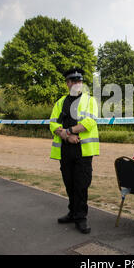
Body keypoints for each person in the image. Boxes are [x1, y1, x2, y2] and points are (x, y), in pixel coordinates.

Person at [49, 68, 100, 234]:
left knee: (81, 185)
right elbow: (52, 124)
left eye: (80, 81)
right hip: (65, 150)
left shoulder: (90, 100)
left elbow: (89, 123)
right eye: (74, 81)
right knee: (69, 183)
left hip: (83, 150)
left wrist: (69, 131)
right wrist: (65, 136)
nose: (78, 84)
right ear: (68, 83)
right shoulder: (60, 102)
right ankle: (72, 212)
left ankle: (81, 217)